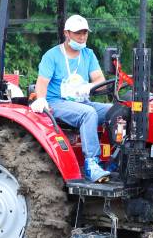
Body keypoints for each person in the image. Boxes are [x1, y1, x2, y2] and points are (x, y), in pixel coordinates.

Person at [30, 15, 111, 183]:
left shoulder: (88, 54)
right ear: (66, 33)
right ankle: (92, 163)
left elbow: (100, 83)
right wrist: (41, 99)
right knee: (88, 113)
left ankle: (115, 159)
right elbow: (42, 83)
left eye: (84, 33)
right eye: (77, 33)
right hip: (56, 102)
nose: (82, 37)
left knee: (117, 110)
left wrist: (88, 87)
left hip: (81, 101)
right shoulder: (52, 56)